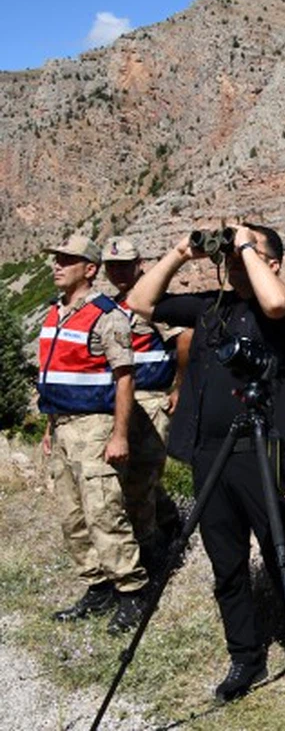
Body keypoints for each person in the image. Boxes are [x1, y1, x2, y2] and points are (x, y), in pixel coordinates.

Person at [129, 223, 285, 703]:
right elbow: (142, 304)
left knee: (284, 555)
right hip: (209, 454)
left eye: (247, 253)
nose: (233, 259)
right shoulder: (209, 306)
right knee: (225, 564)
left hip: (266, 454)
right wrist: (181, 253)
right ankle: (245, 656)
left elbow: (274, 303)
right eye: (232, 253)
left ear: (272, 263)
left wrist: (245, 243)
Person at [37, 234, 150, 636]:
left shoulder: (106, 315)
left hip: (94, 427)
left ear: (89, 269)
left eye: (68, 260)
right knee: (72, 515)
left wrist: (120, 434)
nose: (57, 265)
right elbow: (52, 376)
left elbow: (124, 379)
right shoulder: (54, 313)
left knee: (104, 511)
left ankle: (131, 592)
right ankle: (97, 586)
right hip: (62, 426)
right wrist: (50, 429)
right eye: (57, 259)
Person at [102, 236, 188, 567]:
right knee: (137, 480)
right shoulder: (112, 305)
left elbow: (185, 340)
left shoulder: (153, 303)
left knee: (140, 481)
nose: (119, 271)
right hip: (124, 402)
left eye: (125, 264)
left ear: (140, 265)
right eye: (113, 266)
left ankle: (153, 558)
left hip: (153, 401)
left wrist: (179, 387)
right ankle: (171, 529)